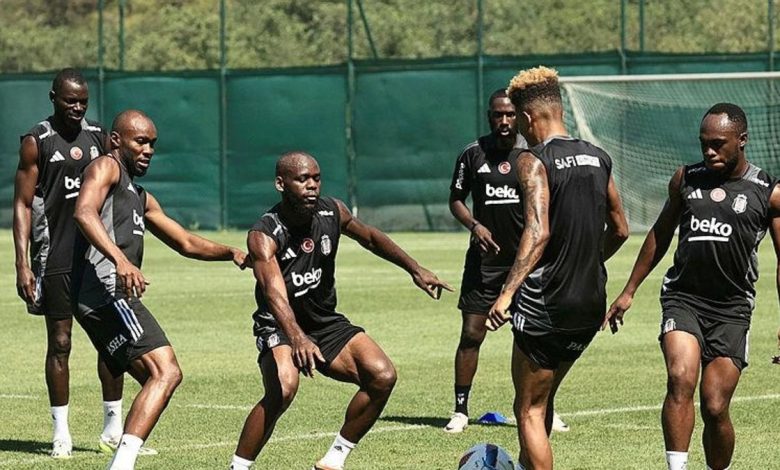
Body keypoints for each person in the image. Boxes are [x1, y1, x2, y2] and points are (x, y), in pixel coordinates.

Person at [229, 151, 452, 470]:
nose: (311, 185)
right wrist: (297, 338)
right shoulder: (264, 234)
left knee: (382, 376)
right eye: (302, 179)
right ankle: (238, 467)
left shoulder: (332, 211)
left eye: (316, 178)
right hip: (279, 325)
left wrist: (415, 269)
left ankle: (334, 459)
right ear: (281, 184)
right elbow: (274, 294)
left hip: (323, 321)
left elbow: (371, 238)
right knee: (283, 388)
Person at [605, 103, 780, 470]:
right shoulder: (686, 179)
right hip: (683, 299)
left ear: (742, 140)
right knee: (680, 378)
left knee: (715, 405)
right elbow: (660, 234)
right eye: (704, 143)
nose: (709, 151)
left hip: (732, 308)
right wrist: (629, 290)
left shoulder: (768, 191)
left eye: (718, 144)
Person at [72, 109, 247, 470]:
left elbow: (185, 242)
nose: (148, 149)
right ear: (116, 140)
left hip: (102, 296)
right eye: (141, 141)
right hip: (107, 290)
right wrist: (121, 260)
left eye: (152, 143)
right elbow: (84, 212)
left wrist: (230, 252)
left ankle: (119, 447)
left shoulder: (140, 196)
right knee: (166, 372)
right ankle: (122, 463)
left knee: (154, 377)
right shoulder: (106, 167)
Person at [486, 66, 629, 470]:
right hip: (590, 302)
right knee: (543, 399)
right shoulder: (599, 157)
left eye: (519, 123)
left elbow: (538, 230)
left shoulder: (532, 160)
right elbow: (621, 229)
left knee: (528, 408)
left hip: (546, 302)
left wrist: (507, 293)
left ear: (527, 117)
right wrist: (585, 262)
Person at [12, 68, 142, 458]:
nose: (78, 107)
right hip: (55, 256)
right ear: (54, 98)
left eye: (83, 101)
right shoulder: (37, 141)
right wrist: (22, 264)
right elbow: (22, 204)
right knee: (60, 342)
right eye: (70, 100)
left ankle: (113, 429)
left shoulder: (99, 137)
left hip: (96, 257)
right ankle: (61, 434)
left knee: (111, 340)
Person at [445, 88, 568, 434]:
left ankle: (544, 409)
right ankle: (460, 410)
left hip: (526, 265)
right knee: (471, 334)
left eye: (510, 114)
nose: (504, 120)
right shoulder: (472, 154)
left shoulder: (532, 155)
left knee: (534, 341)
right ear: (489, 116)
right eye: (498, 114)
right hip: (483, 265)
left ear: (519, 117)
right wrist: (475, 225)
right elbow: (456, 199)